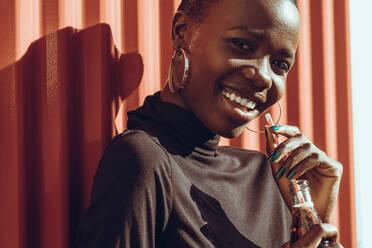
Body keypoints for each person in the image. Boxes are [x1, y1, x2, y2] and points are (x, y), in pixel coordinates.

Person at [75, 0, 343, 247]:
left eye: (280, 64)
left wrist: (310, 216)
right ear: (182, 32)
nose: (264, 77)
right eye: (243, 45)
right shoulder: (143, 161)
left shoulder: (269, 181)